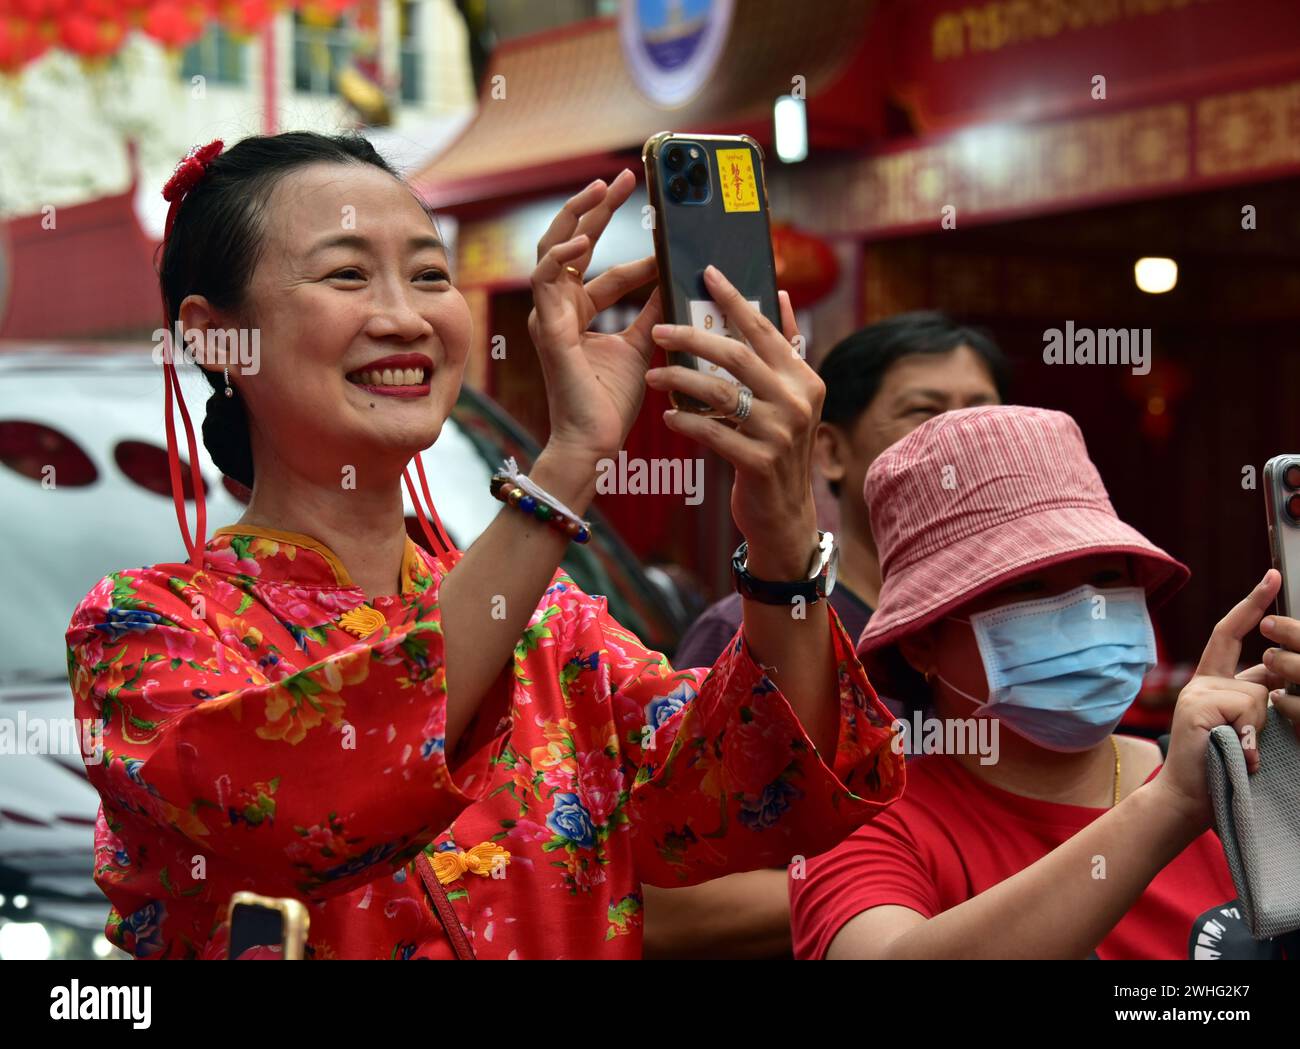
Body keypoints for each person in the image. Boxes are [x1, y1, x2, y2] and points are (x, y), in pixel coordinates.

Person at [63, 132, 904, 960]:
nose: (405, 316)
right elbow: (297, 813)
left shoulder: (555, 628)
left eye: (430, 274)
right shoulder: (145, 632)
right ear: (214, 335)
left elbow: (763, 794)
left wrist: (785, 531)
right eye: (347, 273)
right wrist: (567, 465)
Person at [789, 405, 1300, 960]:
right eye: (1028, 586)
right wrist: (1172, 804)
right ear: (922, 642)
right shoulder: (871, 827)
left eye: (1106, 577)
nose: (1090, 610)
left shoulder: (1250, 775)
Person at [645, 312, 1007, 959]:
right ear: (833, 452)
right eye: (925, 411)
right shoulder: (747, 631)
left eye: (983, 413)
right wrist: (931, 874)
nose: (958, 438)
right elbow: (669, 904)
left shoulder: (1010, 636)